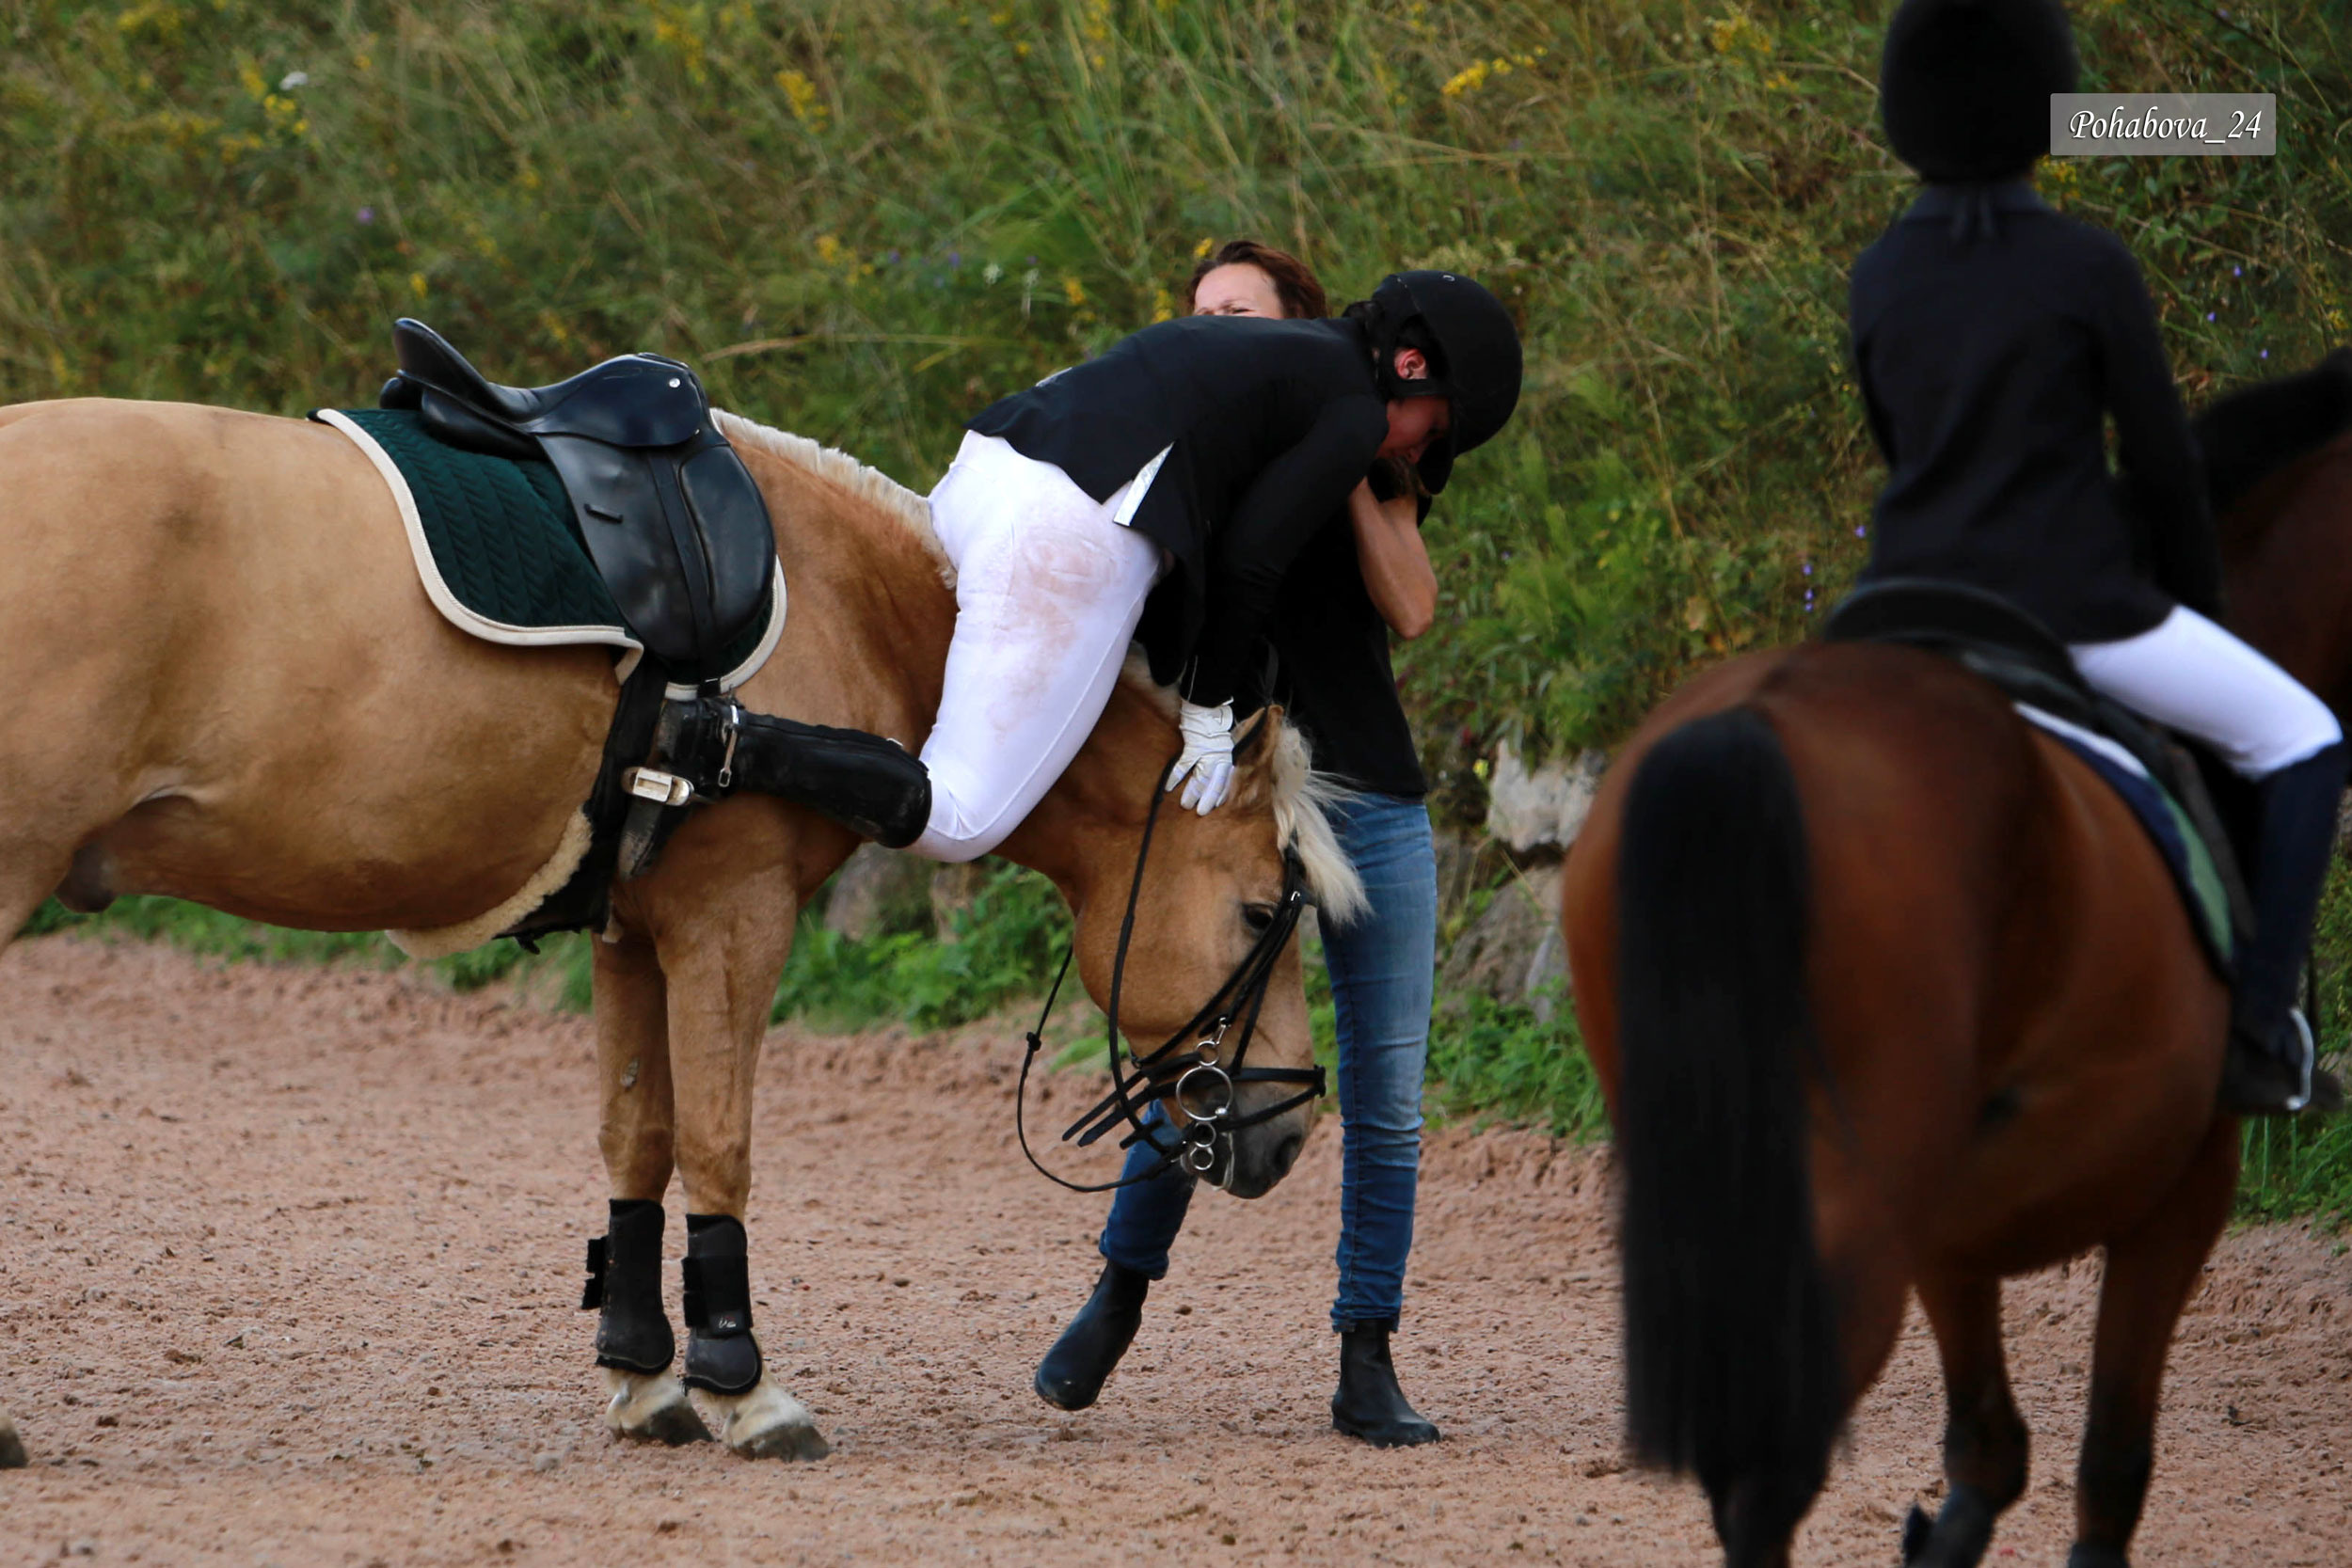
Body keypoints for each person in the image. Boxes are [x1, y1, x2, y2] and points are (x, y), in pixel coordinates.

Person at [1031, 240, 1497, 1448]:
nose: (1216, 332)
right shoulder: (1197, 445)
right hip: (1225, 790)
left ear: (1301, 327)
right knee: (1200, 1046)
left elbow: (1411, 606)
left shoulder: (1373, 451)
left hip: (1366, 793)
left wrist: (1338, 456)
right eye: (1200, 318)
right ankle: (1117, 1295)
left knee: (1388, 1096)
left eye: (1242, 315)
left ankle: (1366, 1352)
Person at [1852, 0, 2345, 1115]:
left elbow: (1901, 443)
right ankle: (2259, 1039)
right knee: (2306, 740)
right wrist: (2198, 598)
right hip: (2072, 607)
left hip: (1901, 607)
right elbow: (2167, 464)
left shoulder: (1878, 272)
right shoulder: (2085, 264)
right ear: (2045, 103)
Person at [898, 266, 1520, 865]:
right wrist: (1207, 713)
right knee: (961, 820)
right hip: (1077, 519)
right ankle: (794, 756)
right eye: (1434, 429)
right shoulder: (1357, 407)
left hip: (987, 466)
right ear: (1411, 367)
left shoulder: (1268, 355)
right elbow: (1250, 561)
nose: (1419, 449)